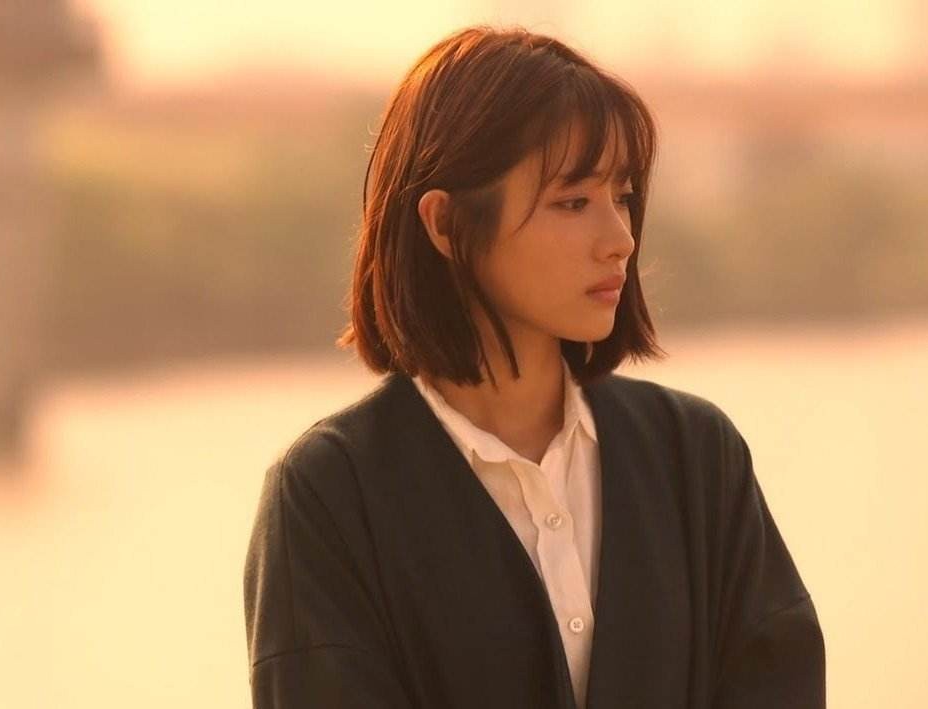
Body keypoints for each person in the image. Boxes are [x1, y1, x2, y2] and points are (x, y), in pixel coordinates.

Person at [243, 25, 825, 709]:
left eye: (622, 196)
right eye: (573, 202)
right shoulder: (328, 495)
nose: (619, 239)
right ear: (445, 224)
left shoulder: (695, 455)